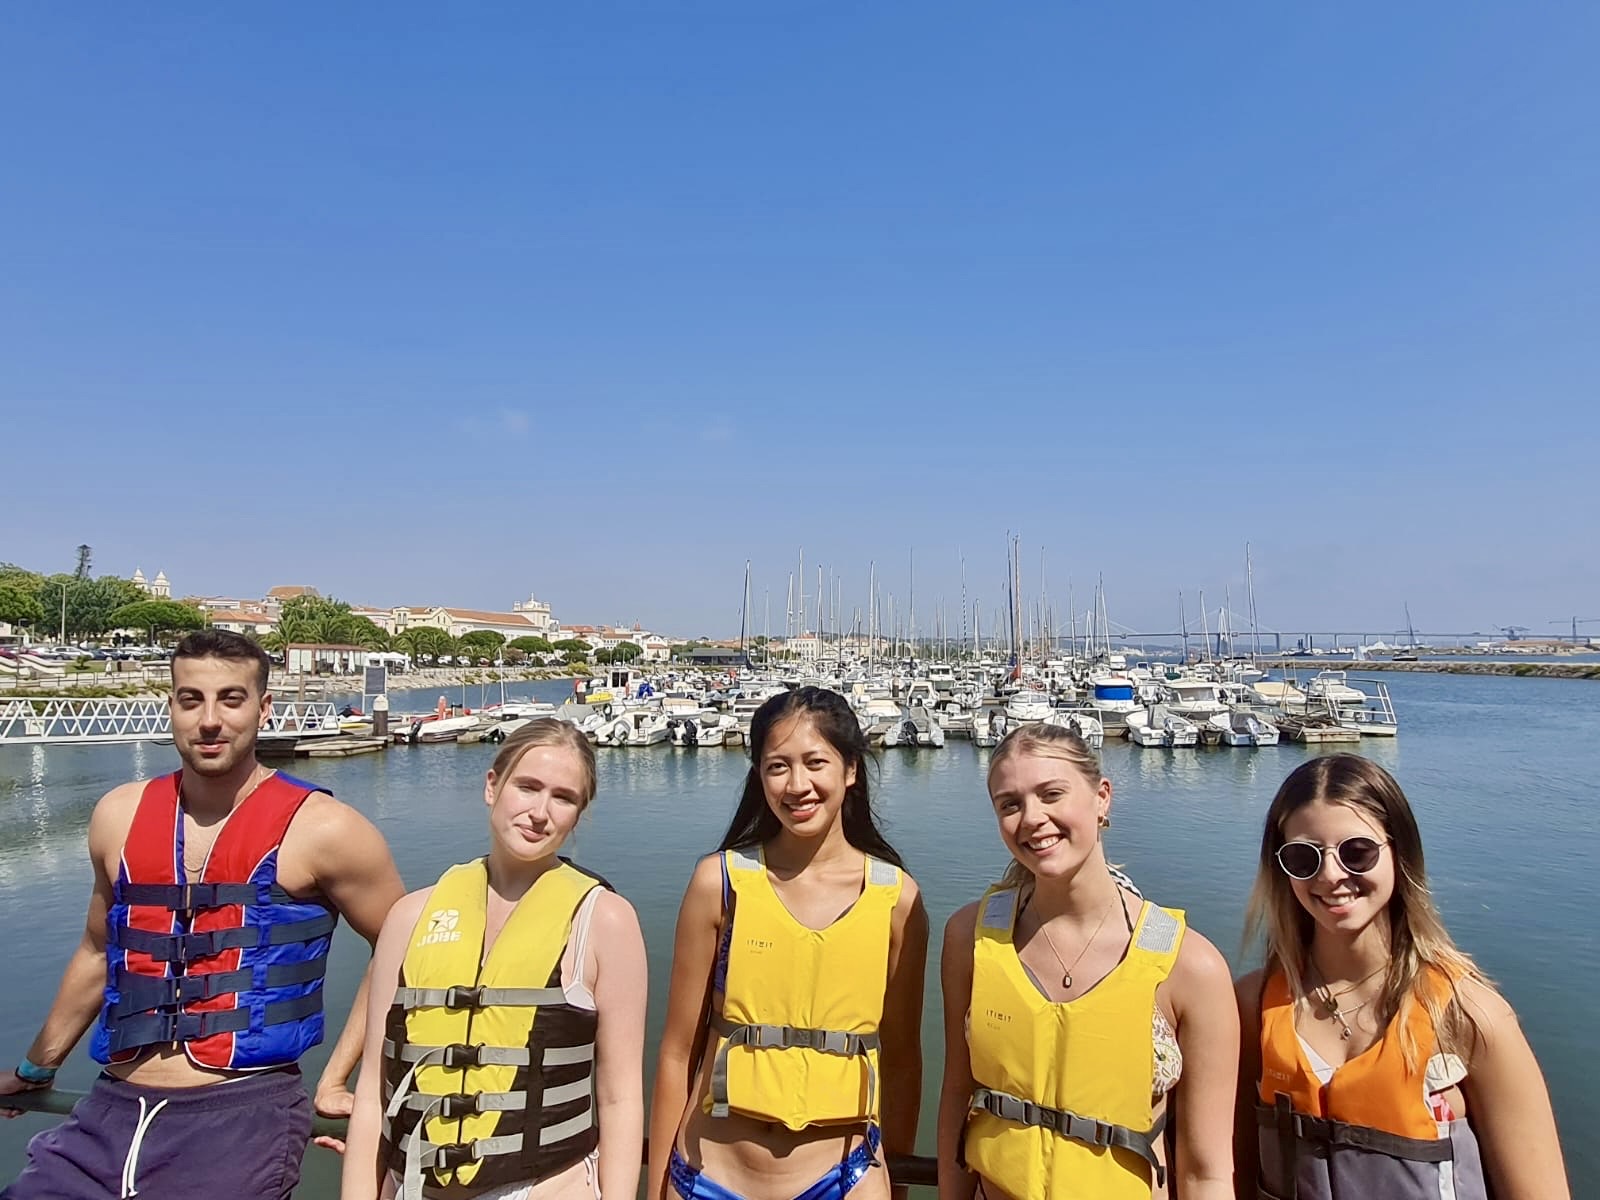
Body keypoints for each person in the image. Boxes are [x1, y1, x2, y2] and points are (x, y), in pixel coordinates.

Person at [0, 628, 406, 1199]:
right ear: (172, 706)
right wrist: (36, 1069)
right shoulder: (117, 815)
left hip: (242, 1119)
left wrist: (342, 1077)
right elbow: (98, 951)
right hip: (109, 1110)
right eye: (191, 699)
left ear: (264, 709)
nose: (209, 719)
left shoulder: (328, 830)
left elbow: (406, 948)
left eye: (230, 699)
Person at [1234, 754, 1569, 1200]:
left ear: (1399, 852)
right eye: (1303, 857)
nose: (1331, 876)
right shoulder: (1252, 1006)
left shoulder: (1469, 1016)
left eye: (1357, 852)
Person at [342, 718, 647, 1200]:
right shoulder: (410, 916)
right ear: (493, 786)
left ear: (578, 814)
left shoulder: (606, 921)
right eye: (527, 787)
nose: (540, 812)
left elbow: (621, 1097)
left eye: (563, 798)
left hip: (548, 1185)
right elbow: (371, 1093)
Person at [648, 686, 928, 1200]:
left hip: (844, 1177)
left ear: (851, 769)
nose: (798, 785)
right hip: (711, 1176)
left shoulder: (898, 900)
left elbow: (906, 1061)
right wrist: (658, 1186)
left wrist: (898, 1182)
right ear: (758, 776)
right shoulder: (720, 883)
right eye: (778, 766)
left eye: (815, 762)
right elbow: (675, 1054)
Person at [937, 723, 1237, 1200]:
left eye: (1052, 794)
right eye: (1010, 804)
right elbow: (956, 1098)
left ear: (1102, 798)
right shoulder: (969, 938)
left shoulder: (1191, 966)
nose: (1032, 818)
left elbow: (1208, 1172)